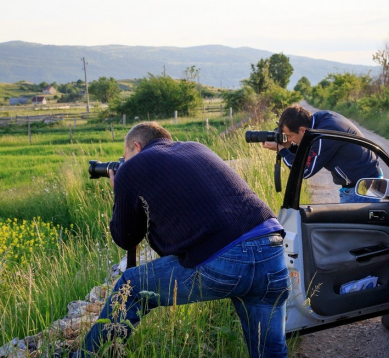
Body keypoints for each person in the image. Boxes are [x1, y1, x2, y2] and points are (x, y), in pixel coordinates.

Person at [75, 122, 291, 357]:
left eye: (125, 156)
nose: (125, 162)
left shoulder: (133, 167)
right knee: (270, 351)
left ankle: (87, 355)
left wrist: (120, 188)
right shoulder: (197, 148)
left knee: (132, 285)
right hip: (272, 249)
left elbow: (125, 238)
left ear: (136, 147)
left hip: (226, 261)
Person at [262, 104, 382, 203]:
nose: (289, 140)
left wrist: (282, 150)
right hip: (366, 181)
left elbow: (304, 171)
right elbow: (308, 154)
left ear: (302, 129)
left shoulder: (323, 135)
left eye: (290, 136)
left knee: (350, 232)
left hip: (362, 189)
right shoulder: (319, 120)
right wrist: (289, 147)